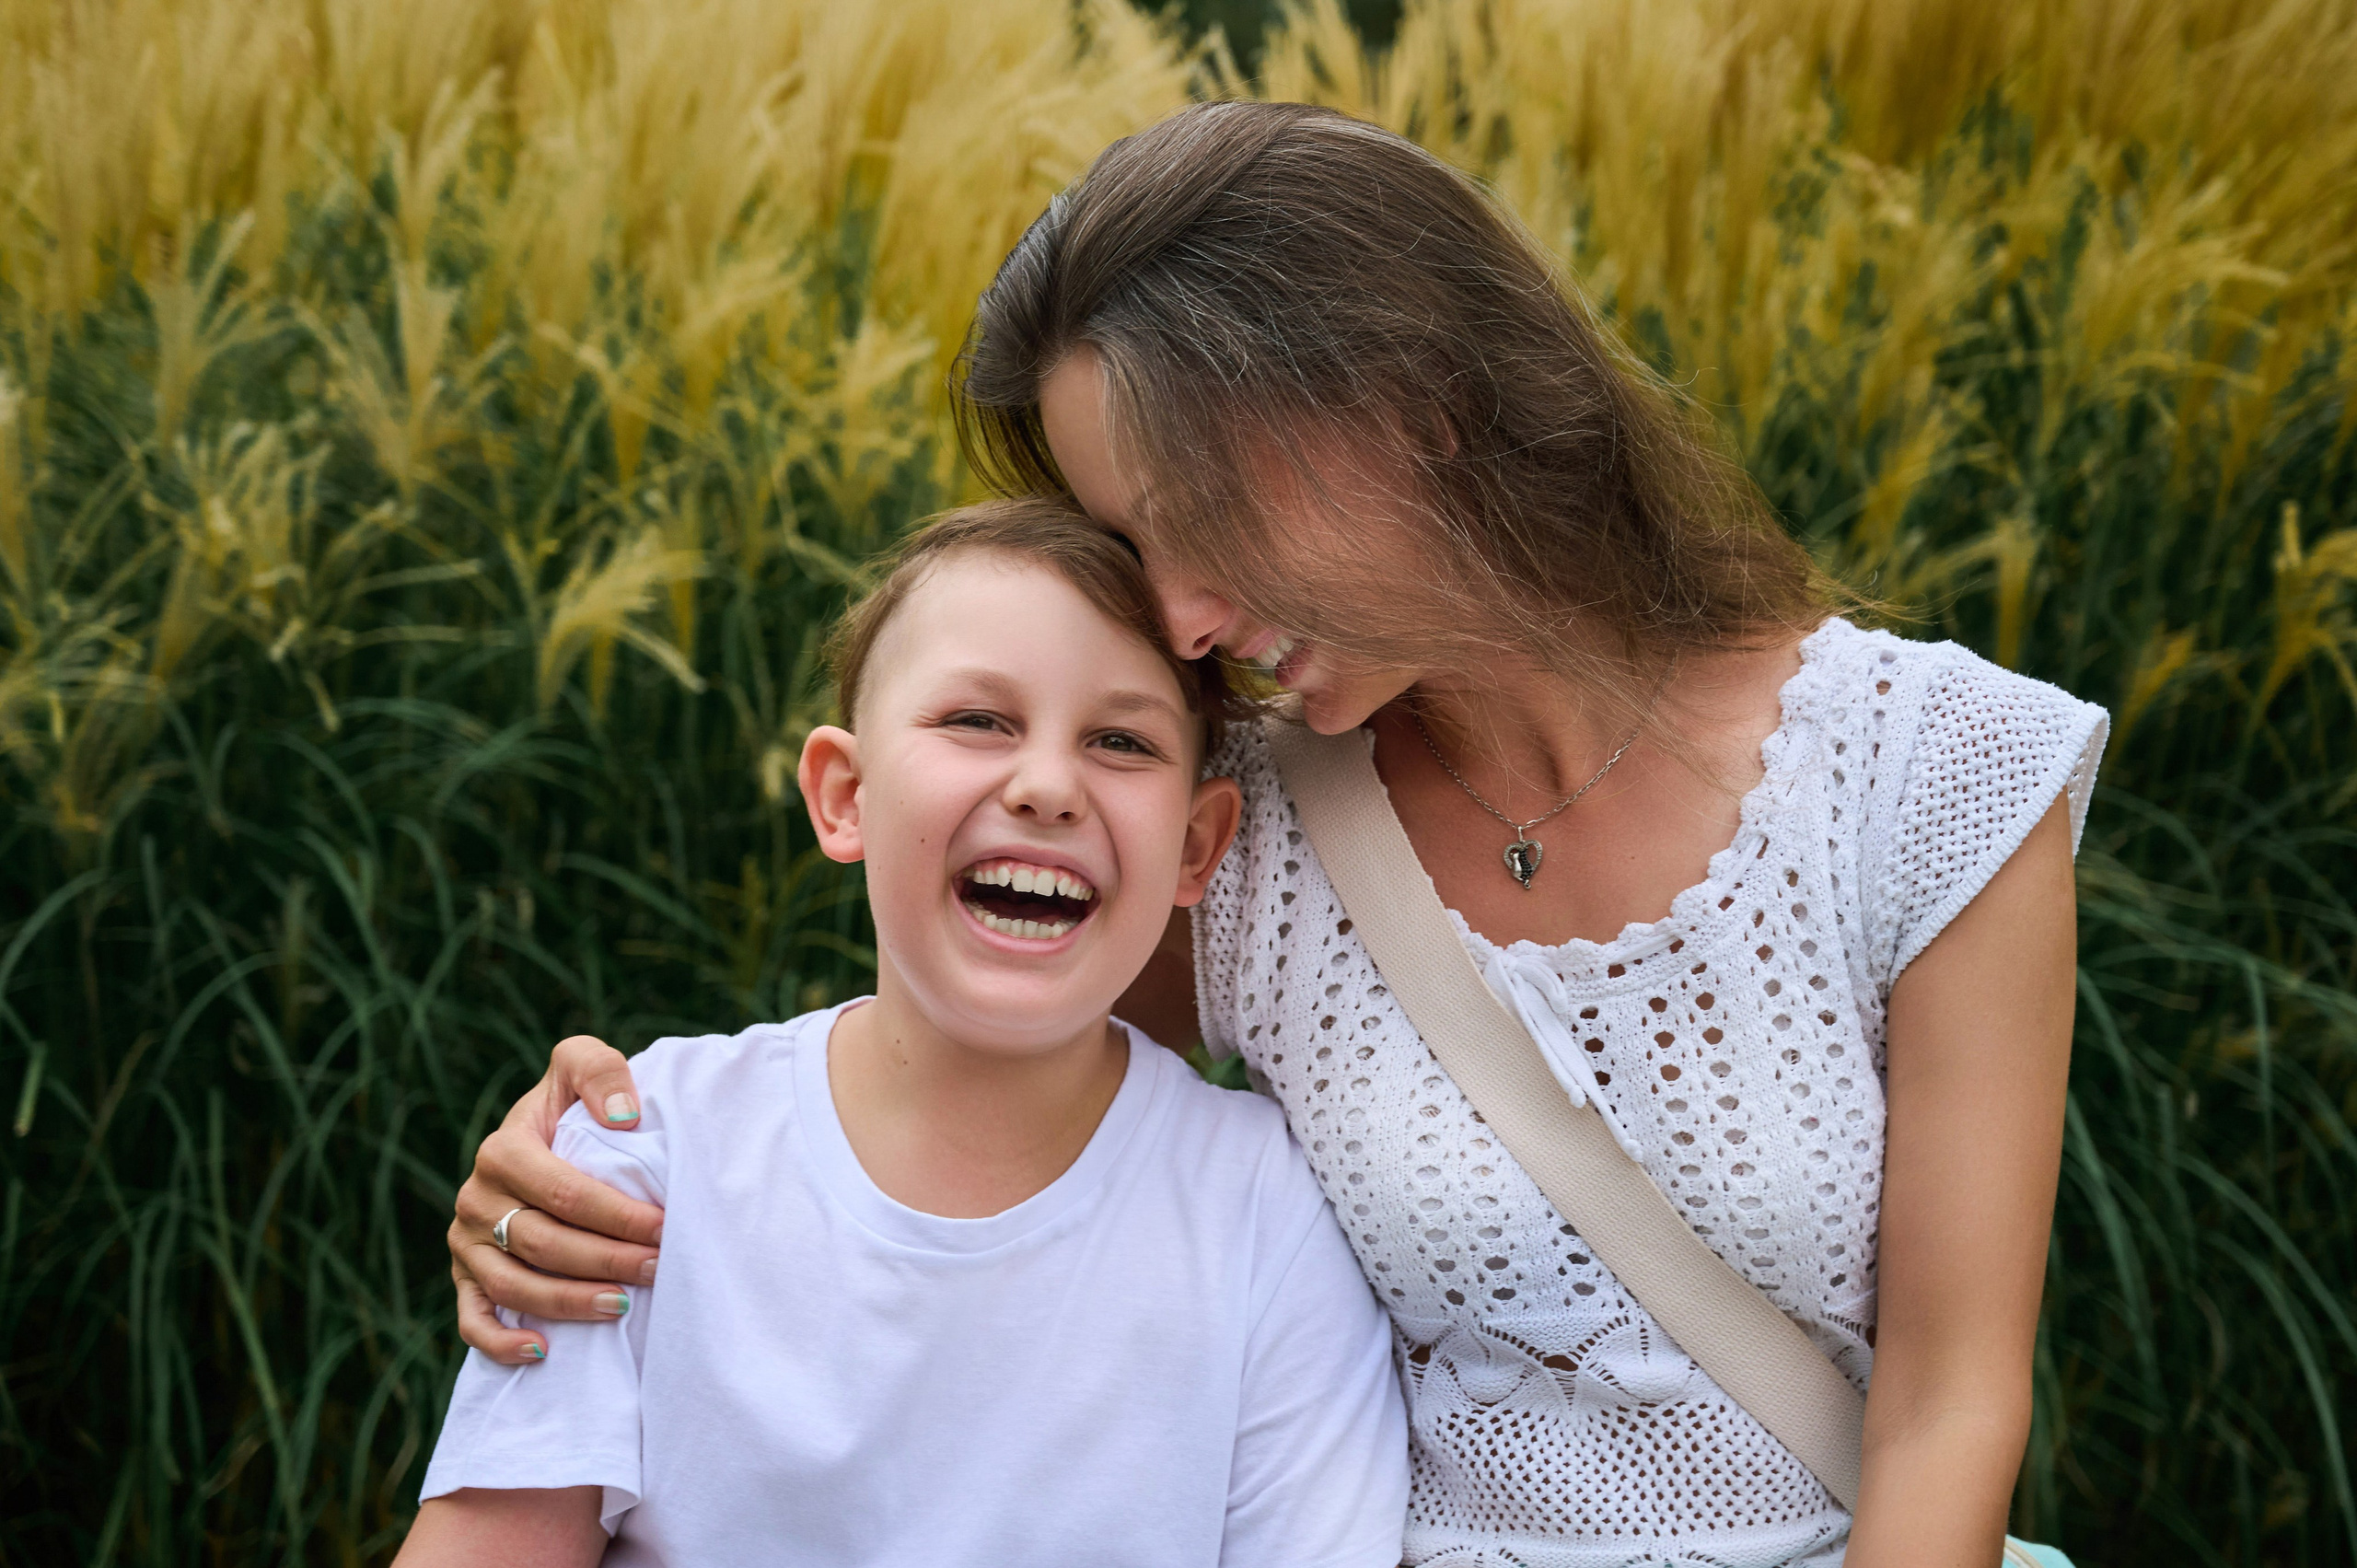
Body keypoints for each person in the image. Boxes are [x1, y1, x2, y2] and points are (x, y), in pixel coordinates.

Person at [447, 103, 2109, 1568]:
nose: (1179, 618)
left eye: (1205, 520)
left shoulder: (1933, 770)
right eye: (1129, 544)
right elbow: (944, 1071)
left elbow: (1952, 1405)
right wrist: (597, 1159)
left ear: (1419, 403)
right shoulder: (1232, 831)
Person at [400, 499, 1411, 1568]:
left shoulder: (1267, 1215)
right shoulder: (646, 1160)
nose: (1045, 786)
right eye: (978, 720)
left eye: (1120, 739)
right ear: (844, 795)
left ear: (1197, 845)